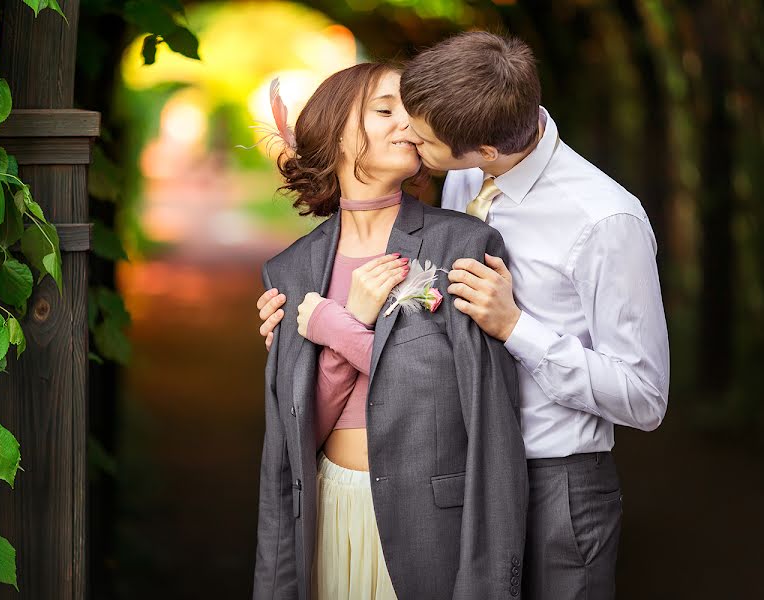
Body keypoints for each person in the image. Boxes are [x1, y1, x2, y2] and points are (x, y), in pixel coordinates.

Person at [257, 32, 670, 600]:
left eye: (420, 135)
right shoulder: (466, 177)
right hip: (456, 472)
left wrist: (515, 327)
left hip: (555, 474)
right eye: (392, 113)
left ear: (483, 150)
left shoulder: (604, 221)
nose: (409, 135)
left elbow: (644, 397)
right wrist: (296, 347)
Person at [253, 63, 527, 600]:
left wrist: (336, 326)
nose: (409, 124)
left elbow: (463, 400)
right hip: (328, 510)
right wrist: (349, 324)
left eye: (413, 111)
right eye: (385, 110)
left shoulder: (463, 246)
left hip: (431, 522)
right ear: (333, 131)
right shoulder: (289, 271)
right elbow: (298, 433)